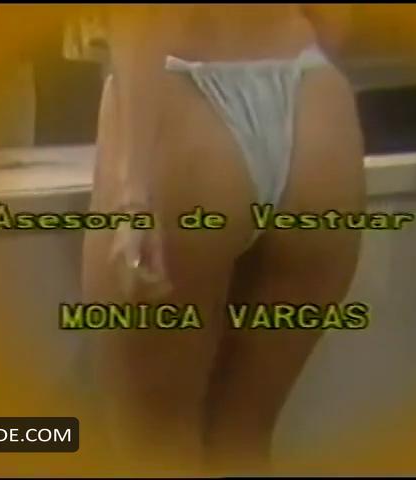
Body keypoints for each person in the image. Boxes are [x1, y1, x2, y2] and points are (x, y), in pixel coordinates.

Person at [81, 4, 365, 475]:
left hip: (182, 103)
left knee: (155, 447)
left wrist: (133, 196)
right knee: (243, 440)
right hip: (314, 106)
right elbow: (335, 20)